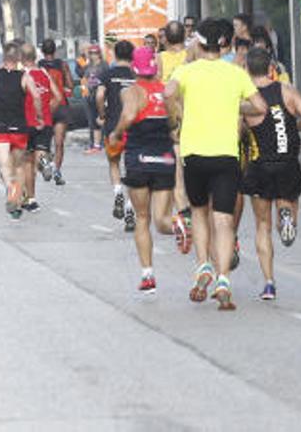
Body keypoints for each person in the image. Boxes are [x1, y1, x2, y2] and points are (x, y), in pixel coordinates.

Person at [166, 18, 268, 310]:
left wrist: (175, 118)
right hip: (226, 156)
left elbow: (167, 93)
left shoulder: (185, 71)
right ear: (225, 43)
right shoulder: (235, 74)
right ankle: (223, 278)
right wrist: (236, 105)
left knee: (199, 213)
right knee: (223, 220)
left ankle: (203, 267)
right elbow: (260, 107)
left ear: (198, 42)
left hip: (194, 154)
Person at [242, 48, 301, 300]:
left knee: (262, 225)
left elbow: (239, 131)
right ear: (271, 67)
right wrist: (291, 124)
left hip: (261, 165)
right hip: (288, 163)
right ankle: (288, 218)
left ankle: (269, 283)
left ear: (247, 70)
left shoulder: (249, 100)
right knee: (287, 200)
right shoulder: (287, 91)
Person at [108, 47, 179, 294]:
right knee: (162, 220)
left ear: (134, 69)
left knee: (142, 218)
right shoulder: (166, 91)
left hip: (139, 157)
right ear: (154, 66)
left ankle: (147, 274)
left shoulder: (132, 91)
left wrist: (116, 134)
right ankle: (181, 224)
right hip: (165, 158)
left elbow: (128, 116)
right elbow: (174, 122)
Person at [0, 42, 43, 220]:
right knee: (19, 165)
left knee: (5, 165)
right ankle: (17, 198)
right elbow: (36, 96)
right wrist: (39, 116)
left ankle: (12, 190)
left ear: (3, 58)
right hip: (19, 127)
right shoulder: (25, 77)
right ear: (19, 58)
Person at [156, 21, 193, 253]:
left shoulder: (161, 58)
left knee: (177, 172)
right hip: (193, 114)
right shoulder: (190, 56)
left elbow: (162, 87)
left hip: (173, 117)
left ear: (166, 39)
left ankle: (184, 213)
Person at [98, 40, 137, 232]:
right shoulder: (135, 75)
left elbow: (99, 95)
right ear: (132, 55)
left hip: (113, 126)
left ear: (115, 55)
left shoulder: (108, 74)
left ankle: (117, 192)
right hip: (134, 128)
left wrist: (102, 114)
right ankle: (130, 208)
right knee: (131, 170)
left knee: (114, 163)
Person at [20, 43, 61, 213]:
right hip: (46, 122)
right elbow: (58, 97)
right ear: (35, 58)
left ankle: (31, 198)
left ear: (22, 59)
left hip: (28, 121)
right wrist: (47, 112)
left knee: (27, 163)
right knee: (40, 153)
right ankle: (44, 161)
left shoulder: (24, 75)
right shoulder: (44, 73)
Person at [39, 38, 74, 186]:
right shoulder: (62, 65)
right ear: (55, 51)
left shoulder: (39, 66)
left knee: (44, 143)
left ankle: (46, 164)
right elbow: (71, 85)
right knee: (59, 143)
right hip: (60, 106)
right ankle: (57, 171)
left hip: (45, 106)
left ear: (42, 51)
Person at [83, 45, 107, 153]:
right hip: (90, 95)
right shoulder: (88, 66)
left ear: (99, 53)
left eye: (95, 53)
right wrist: (85, 89)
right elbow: (85, 78)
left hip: (100, 95)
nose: (93, 55)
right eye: (91, 53)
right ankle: (94, 144)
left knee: (101, 119)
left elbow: (107, 79)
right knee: (91, 120)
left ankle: (101, 143)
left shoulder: (104, 65)